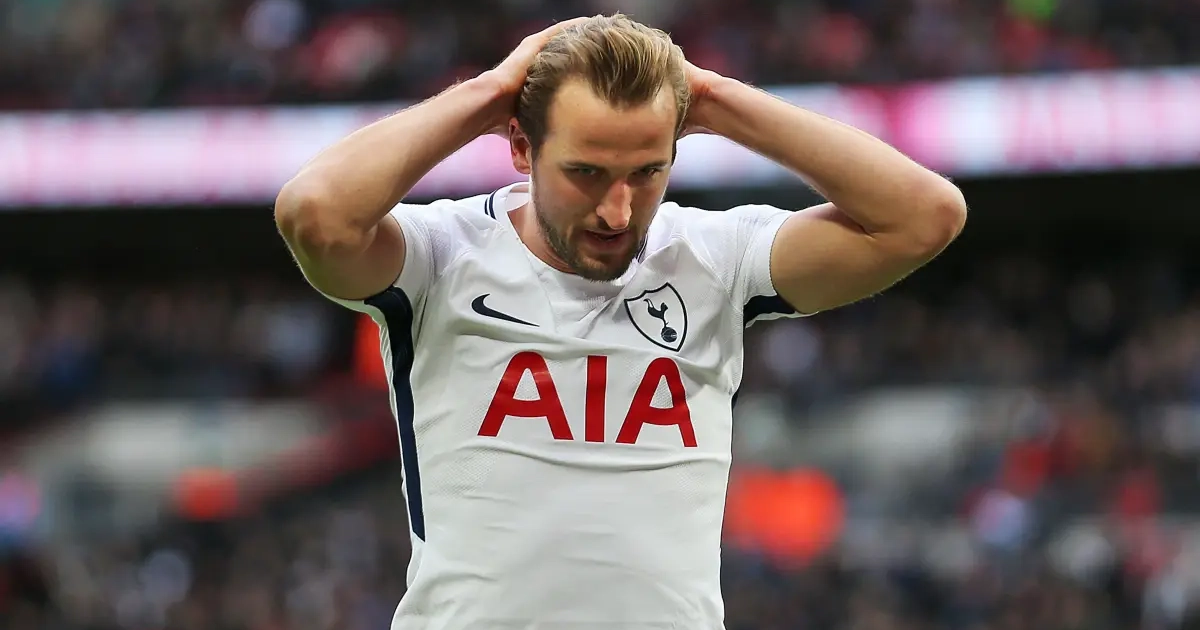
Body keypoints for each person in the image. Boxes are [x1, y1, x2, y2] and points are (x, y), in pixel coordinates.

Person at [275, 13, 966, 629]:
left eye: (646, 172)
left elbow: (925, 217)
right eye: (586, 172)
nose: (617, 210)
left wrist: (713, 97)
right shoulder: (440, 255)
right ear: (521, 147)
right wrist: (490, 90)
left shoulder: (716, 258)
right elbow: (315, 214)